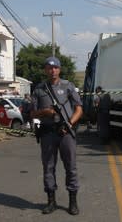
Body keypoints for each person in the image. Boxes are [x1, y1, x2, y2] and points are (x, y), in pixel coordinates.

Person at [30, 56, 83, 215]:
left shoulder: (68, 86)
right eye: (49, 67)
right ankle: (51, 201)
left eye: (55, 67)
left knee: (71, 167)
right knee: (48, 168)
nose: (52, 70)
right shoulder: (39, 89)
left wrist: (70, 123)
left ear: (59, 69)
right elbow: (33, 114)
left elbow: (79, 108)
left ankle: (73, 202)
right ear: (45, 70)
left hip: (66, 132)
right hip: (47, 133)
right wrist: (43, 113)